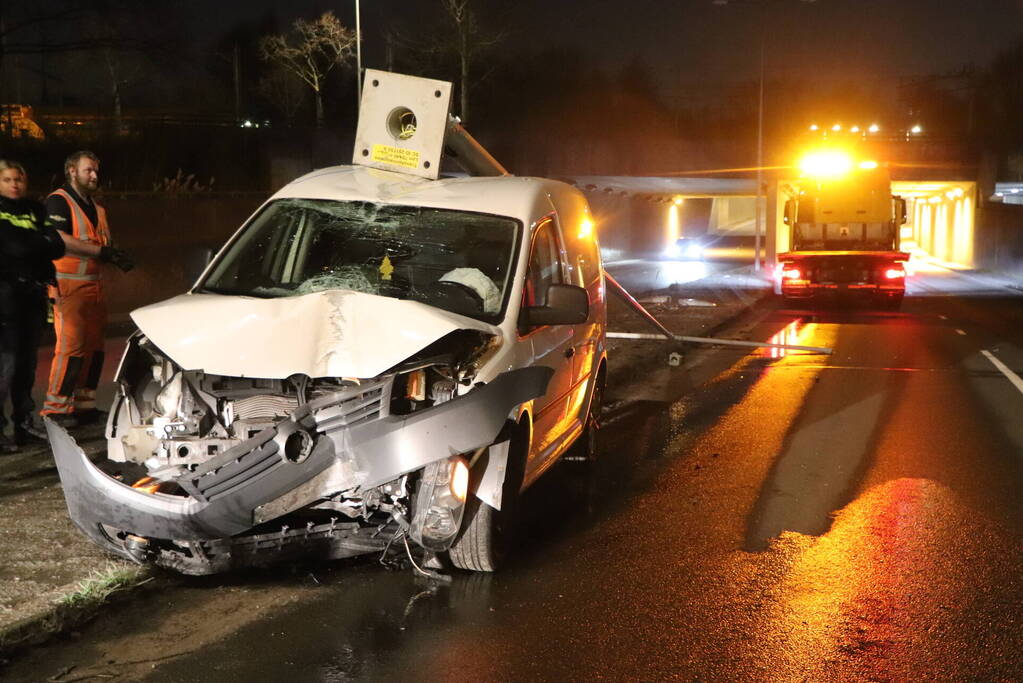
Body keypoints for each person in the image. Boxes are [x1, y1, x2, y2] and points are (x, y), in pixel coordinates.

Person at [41, 151, 133, 428]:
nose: (94, 175)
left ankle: (84, 406)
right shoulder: (58, 201)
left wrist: (115, 255)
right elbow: (59, 238)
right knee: (70, 348)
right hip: (68, 287)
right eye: (88, 170)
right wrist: (101, 251)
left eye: (95, 170)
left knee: (94, 349)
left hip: (93, 287)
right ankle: (55, 410)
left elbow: (103, 244)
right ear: (72, 171)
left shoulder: (97, 208)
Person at [0, 160, 66, 452]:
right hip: (5, 300)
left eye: (19, 179)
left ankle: (24, 421)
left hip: (32, 297)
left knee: (27, 364)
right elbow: (17, 247)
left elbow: (58, 246)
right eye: (7, 179)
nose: (15, 184)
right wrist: (38, 242)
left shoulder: (36, 209)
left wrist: (33, 244)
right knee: (7, 365)